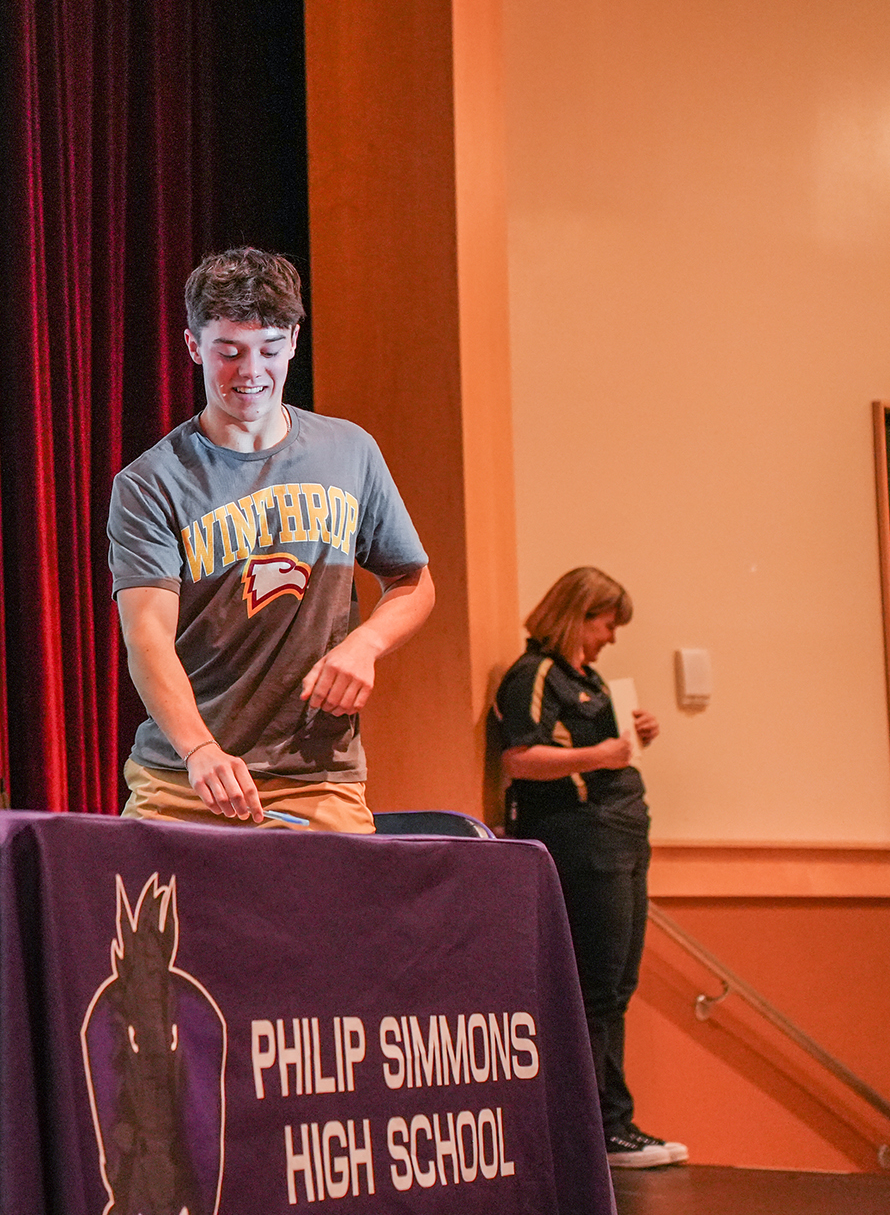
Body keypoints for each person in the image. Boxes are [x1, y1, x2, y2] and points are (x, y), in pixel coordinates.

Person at [108, 247, 435, 830]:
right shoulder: (150, 482)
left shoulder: (350, 451)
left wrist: (365, 644)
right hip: (185, 778)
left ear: (294, 341)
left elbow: (413, 582)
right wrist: (199, 749)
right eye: (229, 352)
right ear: (193, 347)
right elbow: (147, 636)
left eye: (269, 349)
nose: (251, 371)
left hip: (317, 776)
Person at [491, 566, 685, 1169]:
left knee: (618, 984)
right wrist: (602, 753)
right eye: (606, 624)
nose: (611, 637)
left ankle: (613, 1121)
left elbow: (602, 749)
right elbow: (520, 759)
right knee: (596, 986)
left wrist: (635, 731)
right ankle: (602, 1127)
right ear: (579, 615)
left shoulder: (589, 679)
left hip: (623, 833)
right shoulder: (534, 673)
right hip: (583, 836)